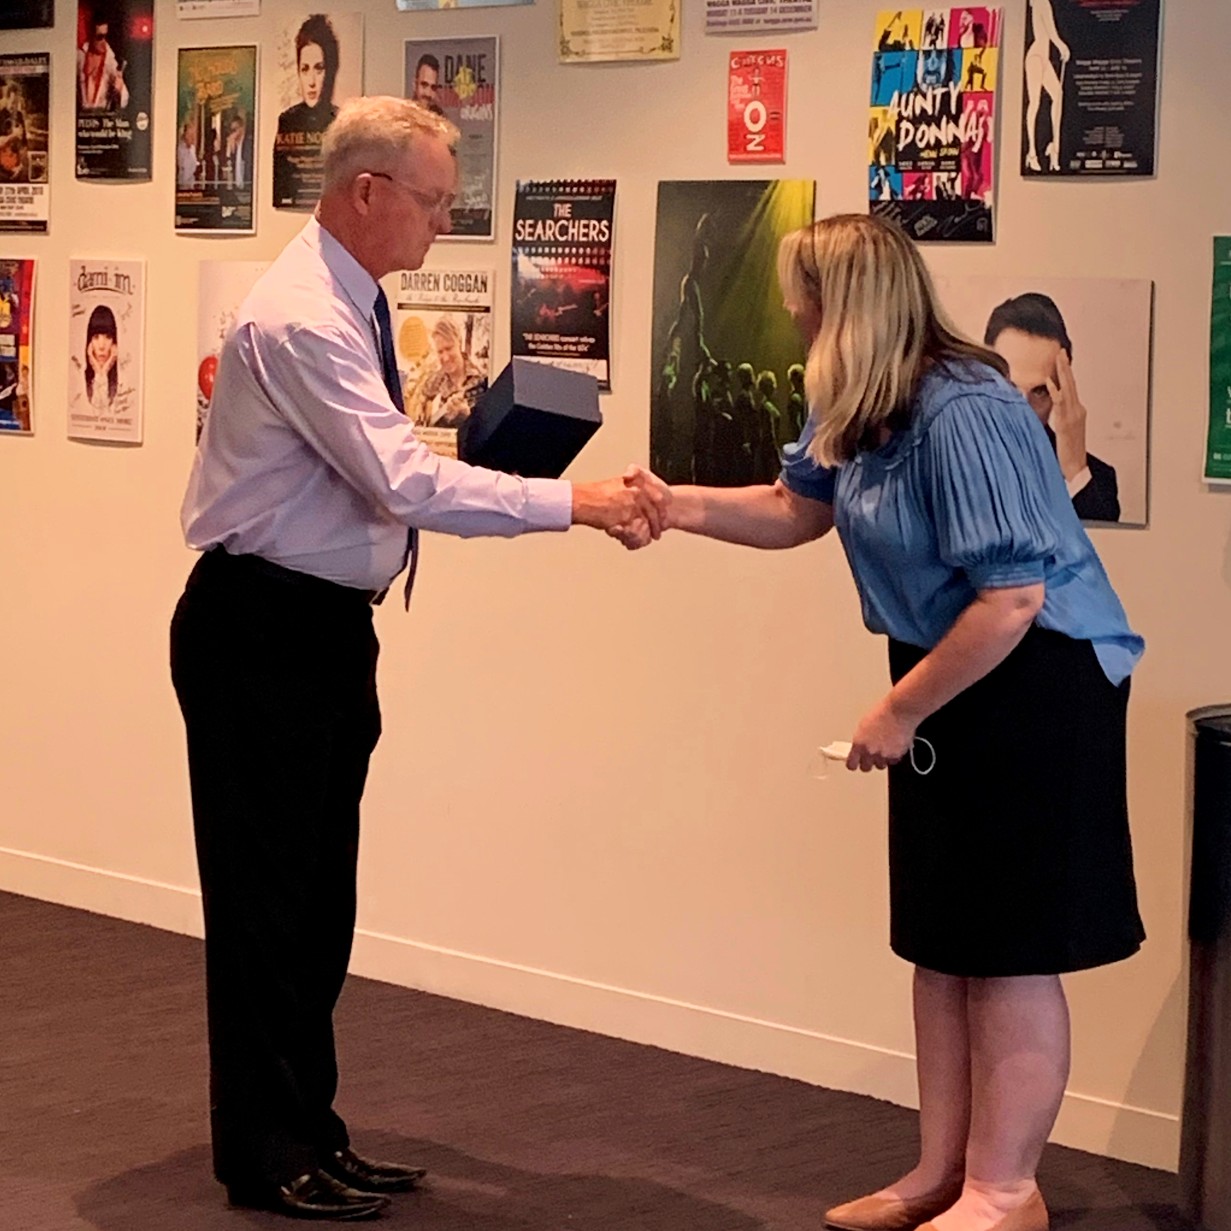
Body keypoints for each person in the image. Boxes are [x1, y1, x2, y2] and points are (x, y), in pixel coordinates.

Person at [170, 95, 665, 1224]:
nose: (445, 221)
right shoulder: (302, 318)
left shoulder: (353, 301)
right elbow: (401, 483)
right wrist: (573, 503)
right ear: (366, 193)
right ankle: (265, 1151)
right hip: (261, 633)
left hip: (317, 631)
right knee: (267, 910)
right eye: (435, 200)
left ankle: (312, 1131)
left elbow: (382, 467)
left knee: (316, 905)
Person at [618, 213, 1144, 1231]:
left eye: (802, 301)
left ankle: (1005, 1189)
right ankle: (939, 1173)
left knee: (1008, 947)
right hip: (951, 667)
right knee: (943, 939)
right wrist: (673, 505)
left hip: (1035, 679)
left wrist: (897, 709)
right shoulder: (859, 401)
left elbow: (1013, 597)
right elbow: (794, 506)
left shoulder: (968, 408)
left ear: (844, 308)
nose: (790, 315)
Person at [984, 292, 1120, 522]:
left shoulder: (1095, 479)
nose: (1023, 410)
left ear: (1062, 389)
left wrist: (1075, 470)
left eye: (1040, 391)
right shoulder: (942, 460)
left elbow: (1102, 553)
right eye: (1009, 388)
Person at [274, 14, 341, 205]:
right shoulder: (286, 121)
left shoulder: (342, 121)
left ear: (330, 71)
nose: (311, 82)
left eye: (319, 69)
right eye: (305, 69)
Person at [405, 315, 484, 428]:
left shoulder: (481, 380)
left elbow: (486, 429)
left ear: (459, 343)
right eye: (440, 352)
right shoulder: (430, 384)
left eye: (449, 348)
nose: (445, 357)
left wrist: (466, 416)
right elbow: (418, 425)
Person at [1024, 0, 1069, 173]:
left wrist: (1059, 47)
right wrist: (1062, 47)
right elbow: (1051, 32)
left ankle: (1054, 147)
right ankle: (1032, 152)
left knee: (1058, 94)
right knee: (1035, 102)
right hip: (1036, 57)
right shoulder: (1042, 3)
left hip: (1044, 58)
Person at [77, 13, 128, 111]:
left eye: (106, 36)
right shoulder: (79, 56)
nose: (104, 41)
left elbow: (124, 100)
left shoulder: (110, 60)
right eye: (100, 37)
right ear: (91, 36)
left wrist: (120, 88)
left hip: (100, 117)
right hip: (79, 117)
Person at [84, 304, 119, 409]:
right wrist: (99, 373)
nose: (102, 346)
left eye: (108, 337)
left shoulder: (120, 383)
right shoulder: (82, 381)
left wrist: (103, 371)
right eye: (96, 337)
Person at [177, 120, 199, 189]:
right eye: (189, 135)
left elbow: (194, 163)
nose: (192, 138)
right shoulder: (180, 149)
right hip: (183, 182)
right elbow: (181, 164)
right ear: (184, 135)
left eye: (192, 135)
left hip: (191, 182)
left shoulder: (193, 148)